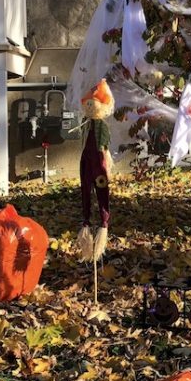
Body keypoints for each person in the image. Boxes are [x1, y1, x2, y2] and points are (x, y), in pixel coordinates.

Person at [78, 79, 113, 261]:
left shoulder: (102, 126)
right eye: (88, 103)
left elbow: (104, 145)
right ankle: (86, 222)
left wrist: (104, 157)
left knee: (101, 191)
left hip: (98, 160)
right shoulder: (86, 124)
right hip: (87, 160)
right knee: (85, 188)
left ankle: (103, 223)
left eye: (93, 103)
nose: (90, 106)